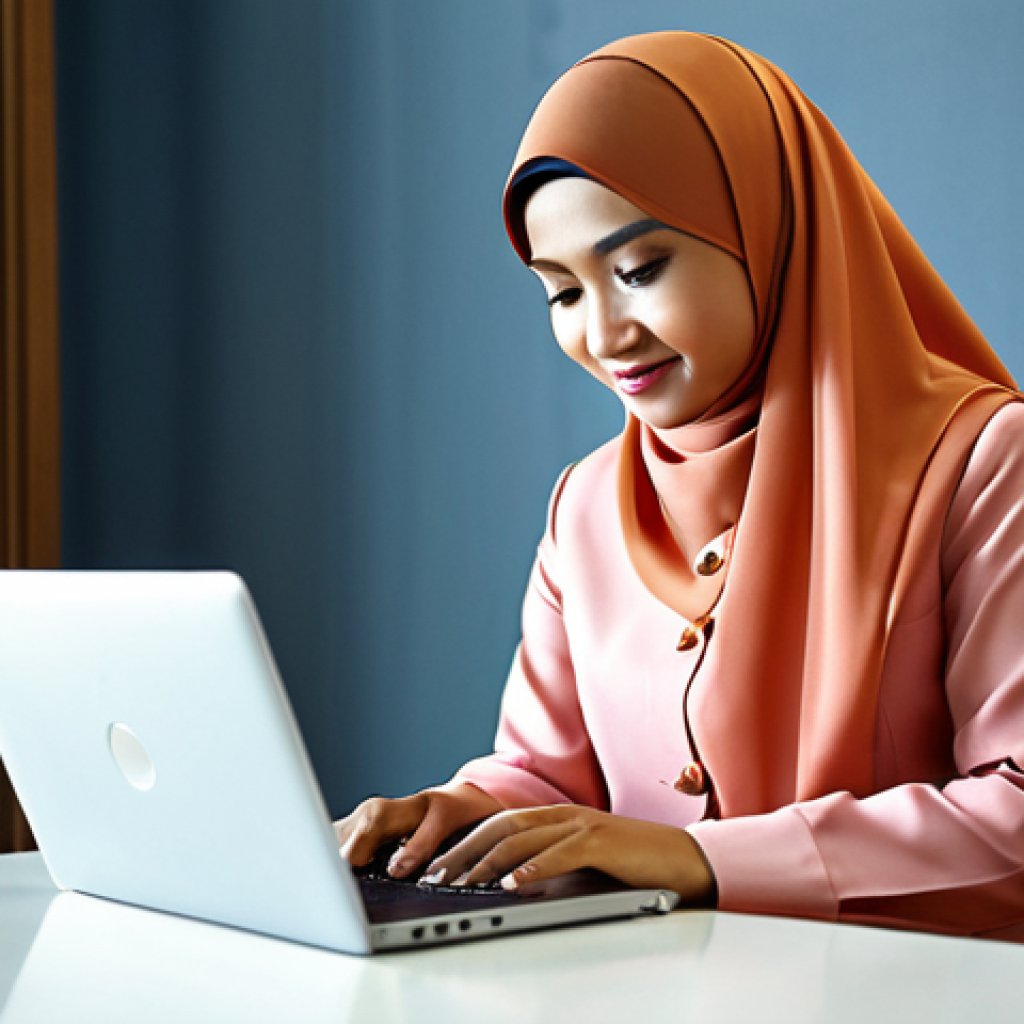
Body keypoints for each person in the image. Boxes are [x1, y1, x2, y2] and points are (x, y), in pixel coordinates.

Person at [335, 31, 1024, 940]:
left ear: (767, 230)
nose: (605, 334)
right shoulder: (584, 507)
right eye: (562, 292)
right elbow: (548, 777)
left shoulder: (981, 461)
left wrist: (701, 858)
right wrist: (455, 818)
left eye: (638, 269)